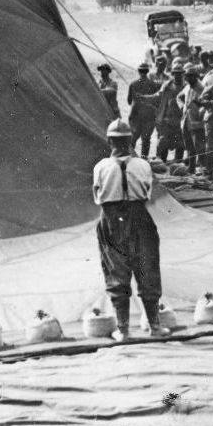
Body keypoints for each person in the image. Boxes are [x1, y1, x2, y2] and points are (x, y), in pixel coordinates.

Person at [91, 120, 165, 340]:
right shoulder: (143, 165)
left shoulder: (101, 167)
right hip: (139, 217)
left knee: (115, 269)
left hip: (111, 220)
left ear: (109, 140)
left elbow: (97, 195)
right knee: (147, 267)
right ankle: (154, 326)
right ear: (130, 140)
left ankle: (123, 330)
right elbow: (147, 192)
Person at [152, 60, 188, 164]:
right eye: (175, 73)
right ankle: (162, 161)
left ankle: (177, 163)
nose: (177, 76)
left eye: (179, 73)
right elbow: (159, 97)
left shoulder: (186, 86)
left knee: (180, 144)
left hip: (181, 119)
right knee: (164, 142)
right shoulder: (167, 85)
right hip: (168, 119)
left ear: (183, 74)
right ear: (173, 74)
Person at [125, 63, 162, 159]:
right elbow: (157, 102)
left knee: (132, 140)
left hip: (135, 116)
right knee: (146, 140)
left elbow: (129, 101)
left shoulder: (133, 84)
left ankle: (130, 160)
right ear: (147, 72)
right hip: (149, 117)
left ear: (138, 71)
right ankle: (143, 160)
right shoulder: (154, 85)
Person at [177, 69, 206, 173]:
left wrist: (200, 111)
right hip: (185, 121)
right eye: (187, 76)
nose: (189, 78)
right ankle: (191, 168)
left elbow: (206, 104)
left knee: (199, 147)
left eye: (191, 76)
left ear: (196, 76)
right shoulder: (187, 86)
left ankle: (204, 170)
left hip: (197, 122)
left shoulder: (201, 88)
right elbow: (179, 97)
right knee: (189, 146)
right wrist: (181, 107)